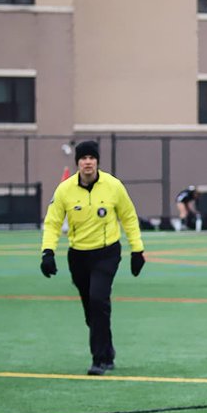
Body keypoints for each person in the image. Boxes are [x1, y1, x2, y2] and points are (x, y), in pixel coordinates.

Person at [40, 140, 145, 375]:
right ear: (77, 162)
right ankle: (107, 350)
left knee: (98, 300)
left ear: (97, 161)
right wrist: (47, 252)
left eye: (92, 158)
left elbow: (129, 217)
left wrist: (137, 250)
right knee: (91, 310)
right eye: (83, 158)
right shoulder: (64, 190)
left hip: (107, 253)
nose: (88, 162)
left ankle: (98, 360)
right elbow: (53, 222)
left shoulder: (113, 186)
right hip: (78, 256)